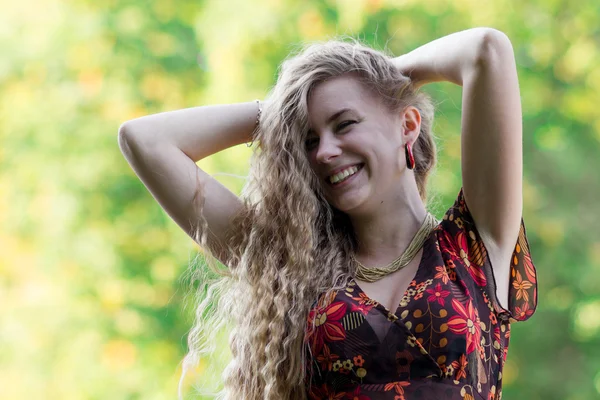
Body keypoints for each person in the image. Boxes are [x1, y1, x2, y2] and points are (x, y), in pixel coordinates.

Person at [118, 27, 537, 400]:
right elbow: (145, 139)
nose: (325, 151)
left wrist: (379, 75)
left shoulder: (474, 247)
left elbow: (486, 49)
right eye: (308, 139)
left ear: (407, 125)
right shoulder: (288, 268)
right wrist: (281, 112)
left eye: (345, 123)